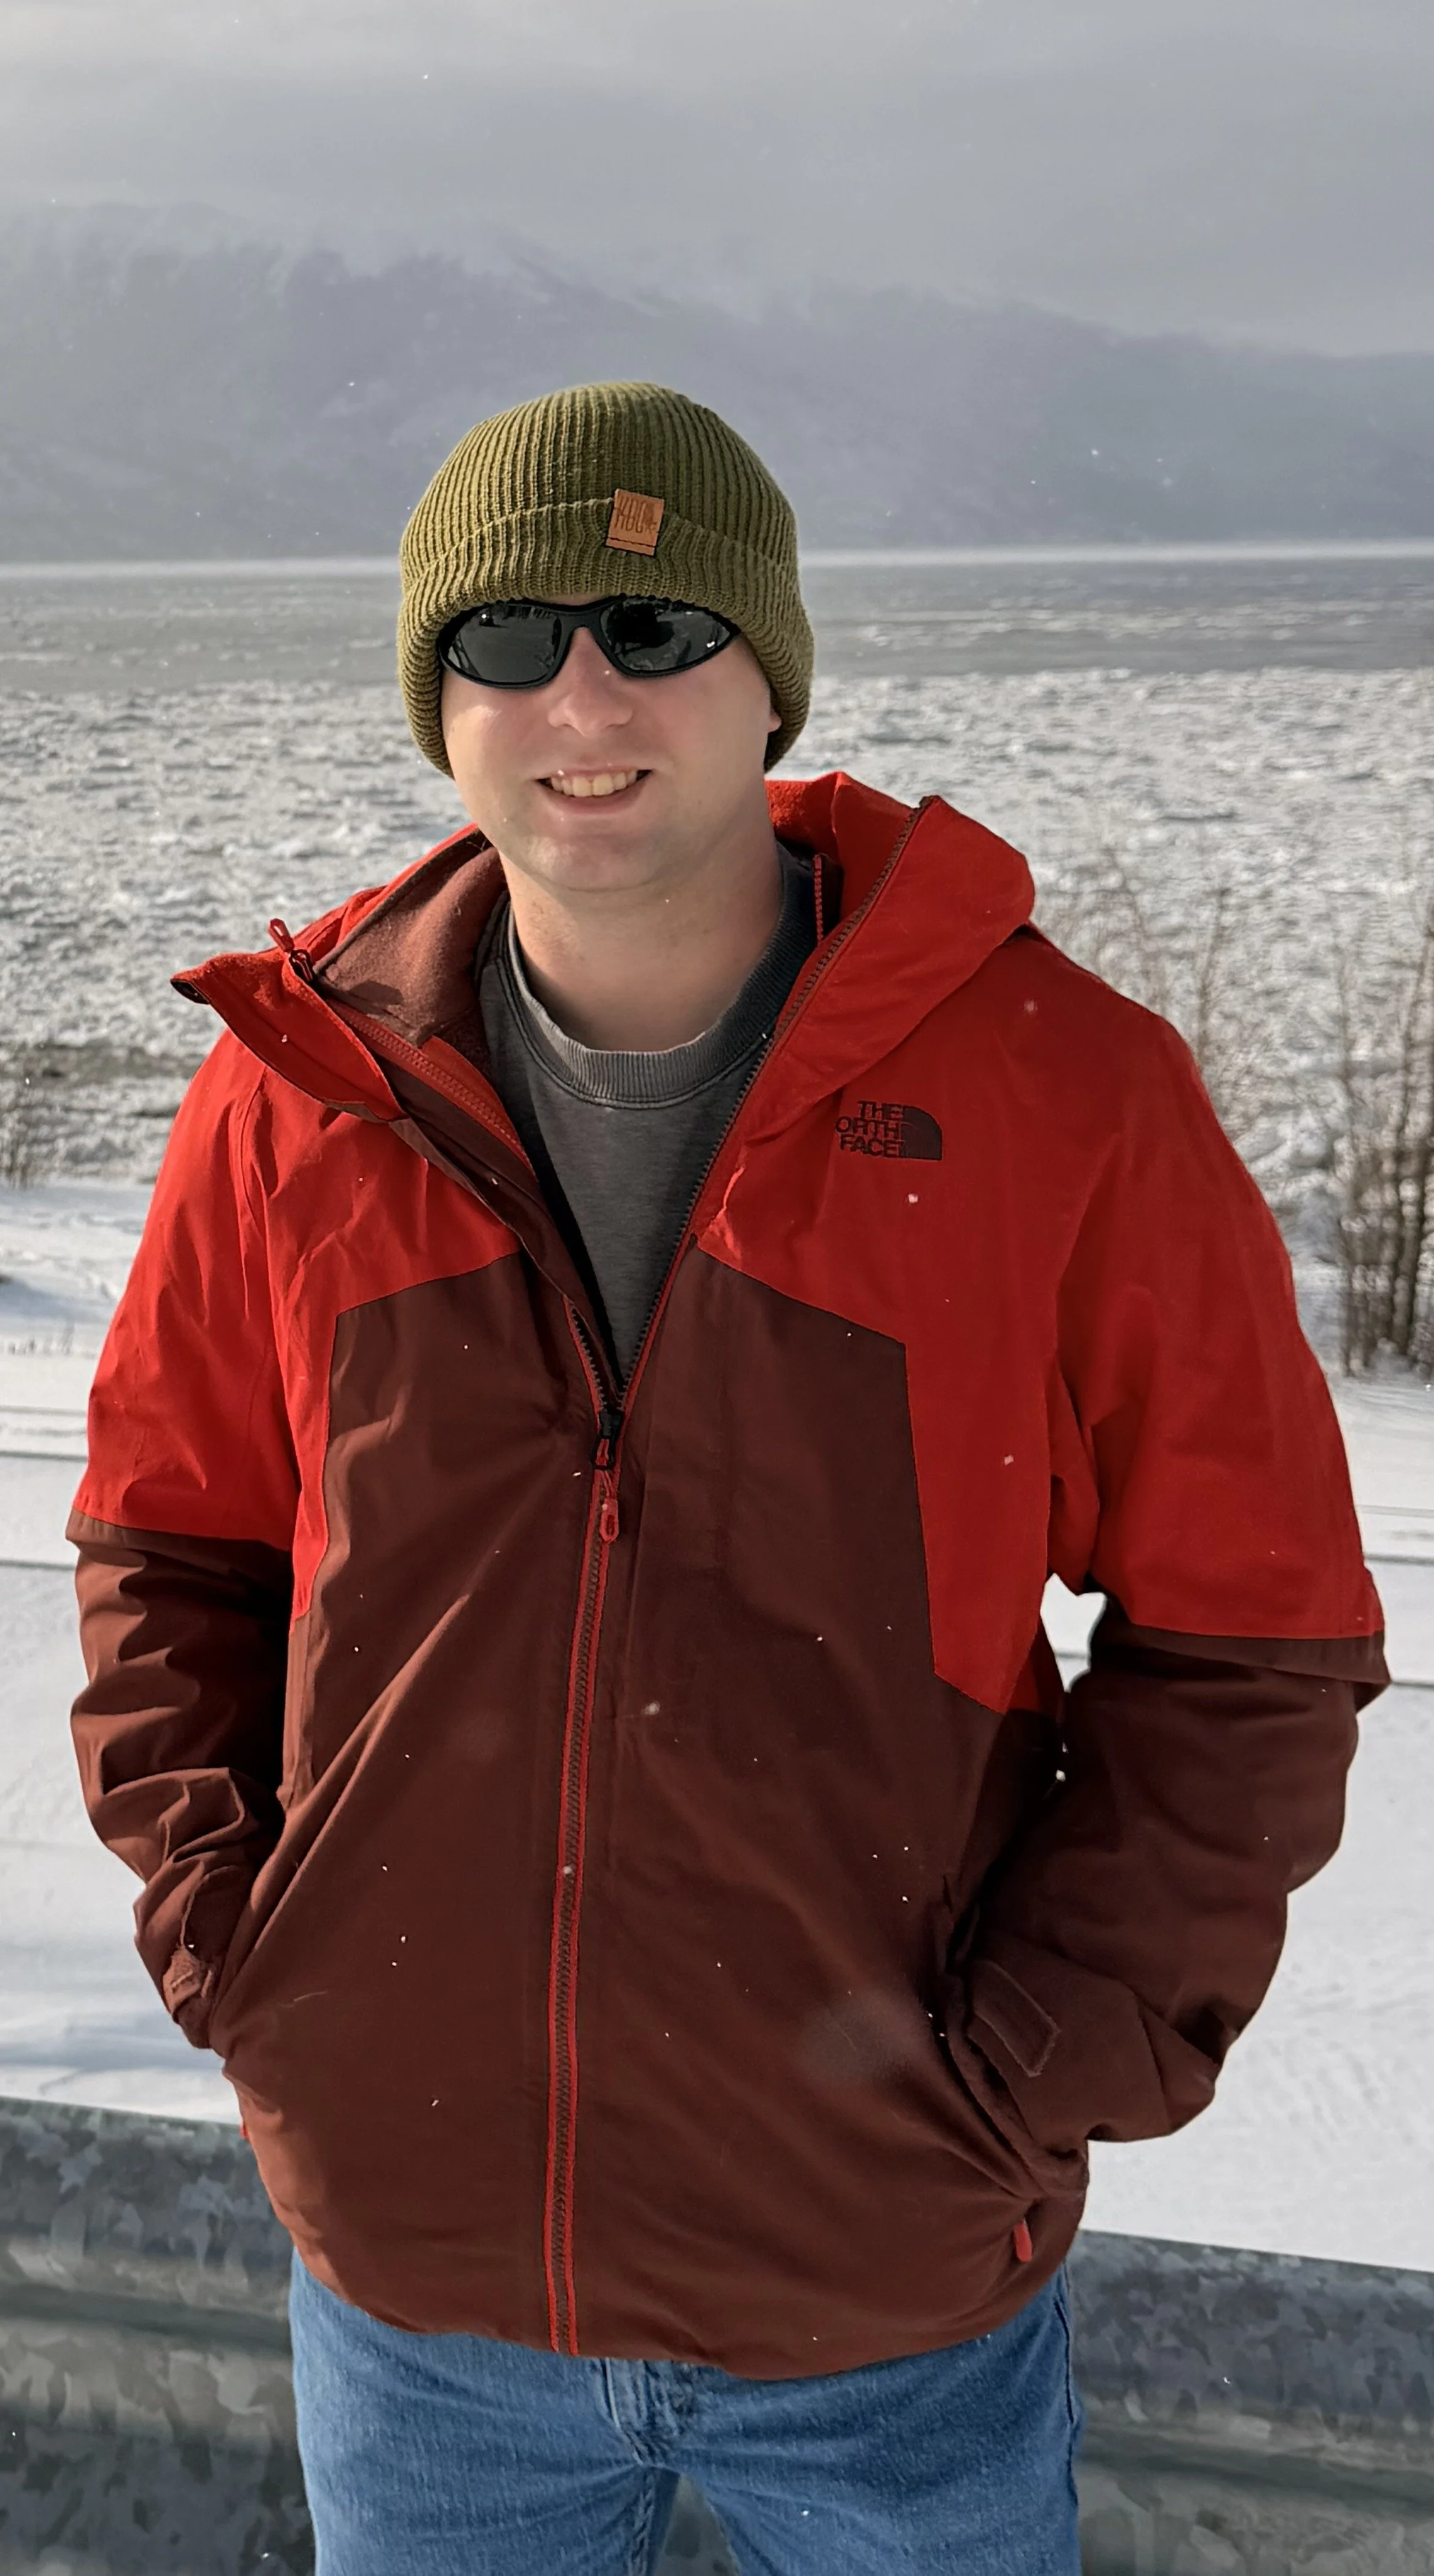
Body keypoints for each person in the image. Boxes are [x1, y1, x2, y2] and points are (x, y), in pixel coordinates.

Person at [69, 382, 1386, 2576]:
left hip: (884, 2299)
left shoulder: (1059, 1090)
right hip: (416, 2292)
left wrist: (1030, 2065)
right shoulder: (299, 1098)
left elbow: (1252, 1638)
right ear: (435, 703)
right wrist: (249, 1960)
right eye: (505, 641)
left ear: (769, 674)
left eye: (659, 628)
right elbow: (167, 1555)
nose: (583, 701)